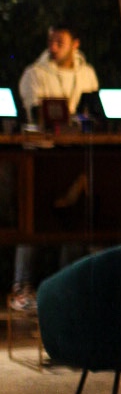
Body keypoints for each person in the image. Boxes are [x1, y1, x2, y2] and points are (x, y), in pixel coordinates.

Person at [8, 28, 99, 313]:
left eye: (60, 41)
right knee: (33, 218)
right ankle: (22, 287)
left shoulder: (87, 74)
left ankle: (67, 286)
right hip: (40, 156)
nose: (54, 46)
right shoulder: (34, 73)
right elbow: (37, 113)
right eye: (51, 41)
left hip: (75, 157)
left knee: (73, 218)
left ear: (75, 44)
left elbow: (90, 111)